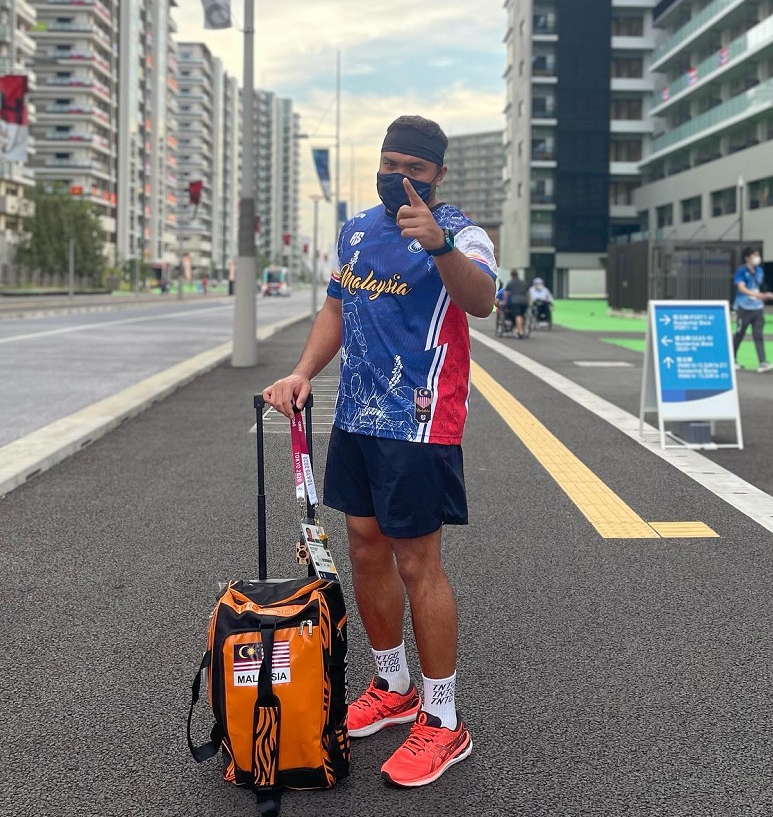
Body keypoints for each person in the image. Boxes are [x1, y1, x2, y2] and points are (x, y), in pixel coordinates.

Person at [262, 115, 496, 788]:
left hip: (420, 421)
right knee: (363, 542)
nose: (398, 178)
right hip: (356, 416)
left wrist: (440, 244)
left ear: (436, 176)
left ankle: (443, 718)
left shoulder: (461, 230)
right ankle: (391, 683)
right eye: (389, 164)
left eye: (413, 170)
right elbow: (336, 307)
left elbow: (480, 300)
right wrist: (304, 370)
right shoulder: (357, 229)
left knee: (417, 558)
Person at [731, 247, 773, 373]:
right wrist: (759, 295)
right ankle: (731, 359)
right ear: (747, 257)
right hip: (744, 307)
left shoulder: (759, 271)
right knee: (739, 334)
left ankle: (762, 362)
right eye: (754, 255)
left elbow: (758, 286)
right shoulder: (741, 271)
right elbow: (742, 288)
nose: (757, 257)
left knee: (758, 334)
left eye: (757, 254)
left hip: (757, 308)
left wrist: (764, 295)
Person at [502, 269, 529, 338]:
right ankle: (521, 327)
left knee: (518, 315)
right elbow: (527, 293)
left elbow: (506, 293)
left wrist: (504, 302)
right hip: (524, 301)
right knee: (522, 315)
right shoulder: (524, 283)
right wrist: (528, 301)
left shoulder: (510, 283)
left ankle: (520, 331)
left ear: (511, 275)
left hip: (515, 301)